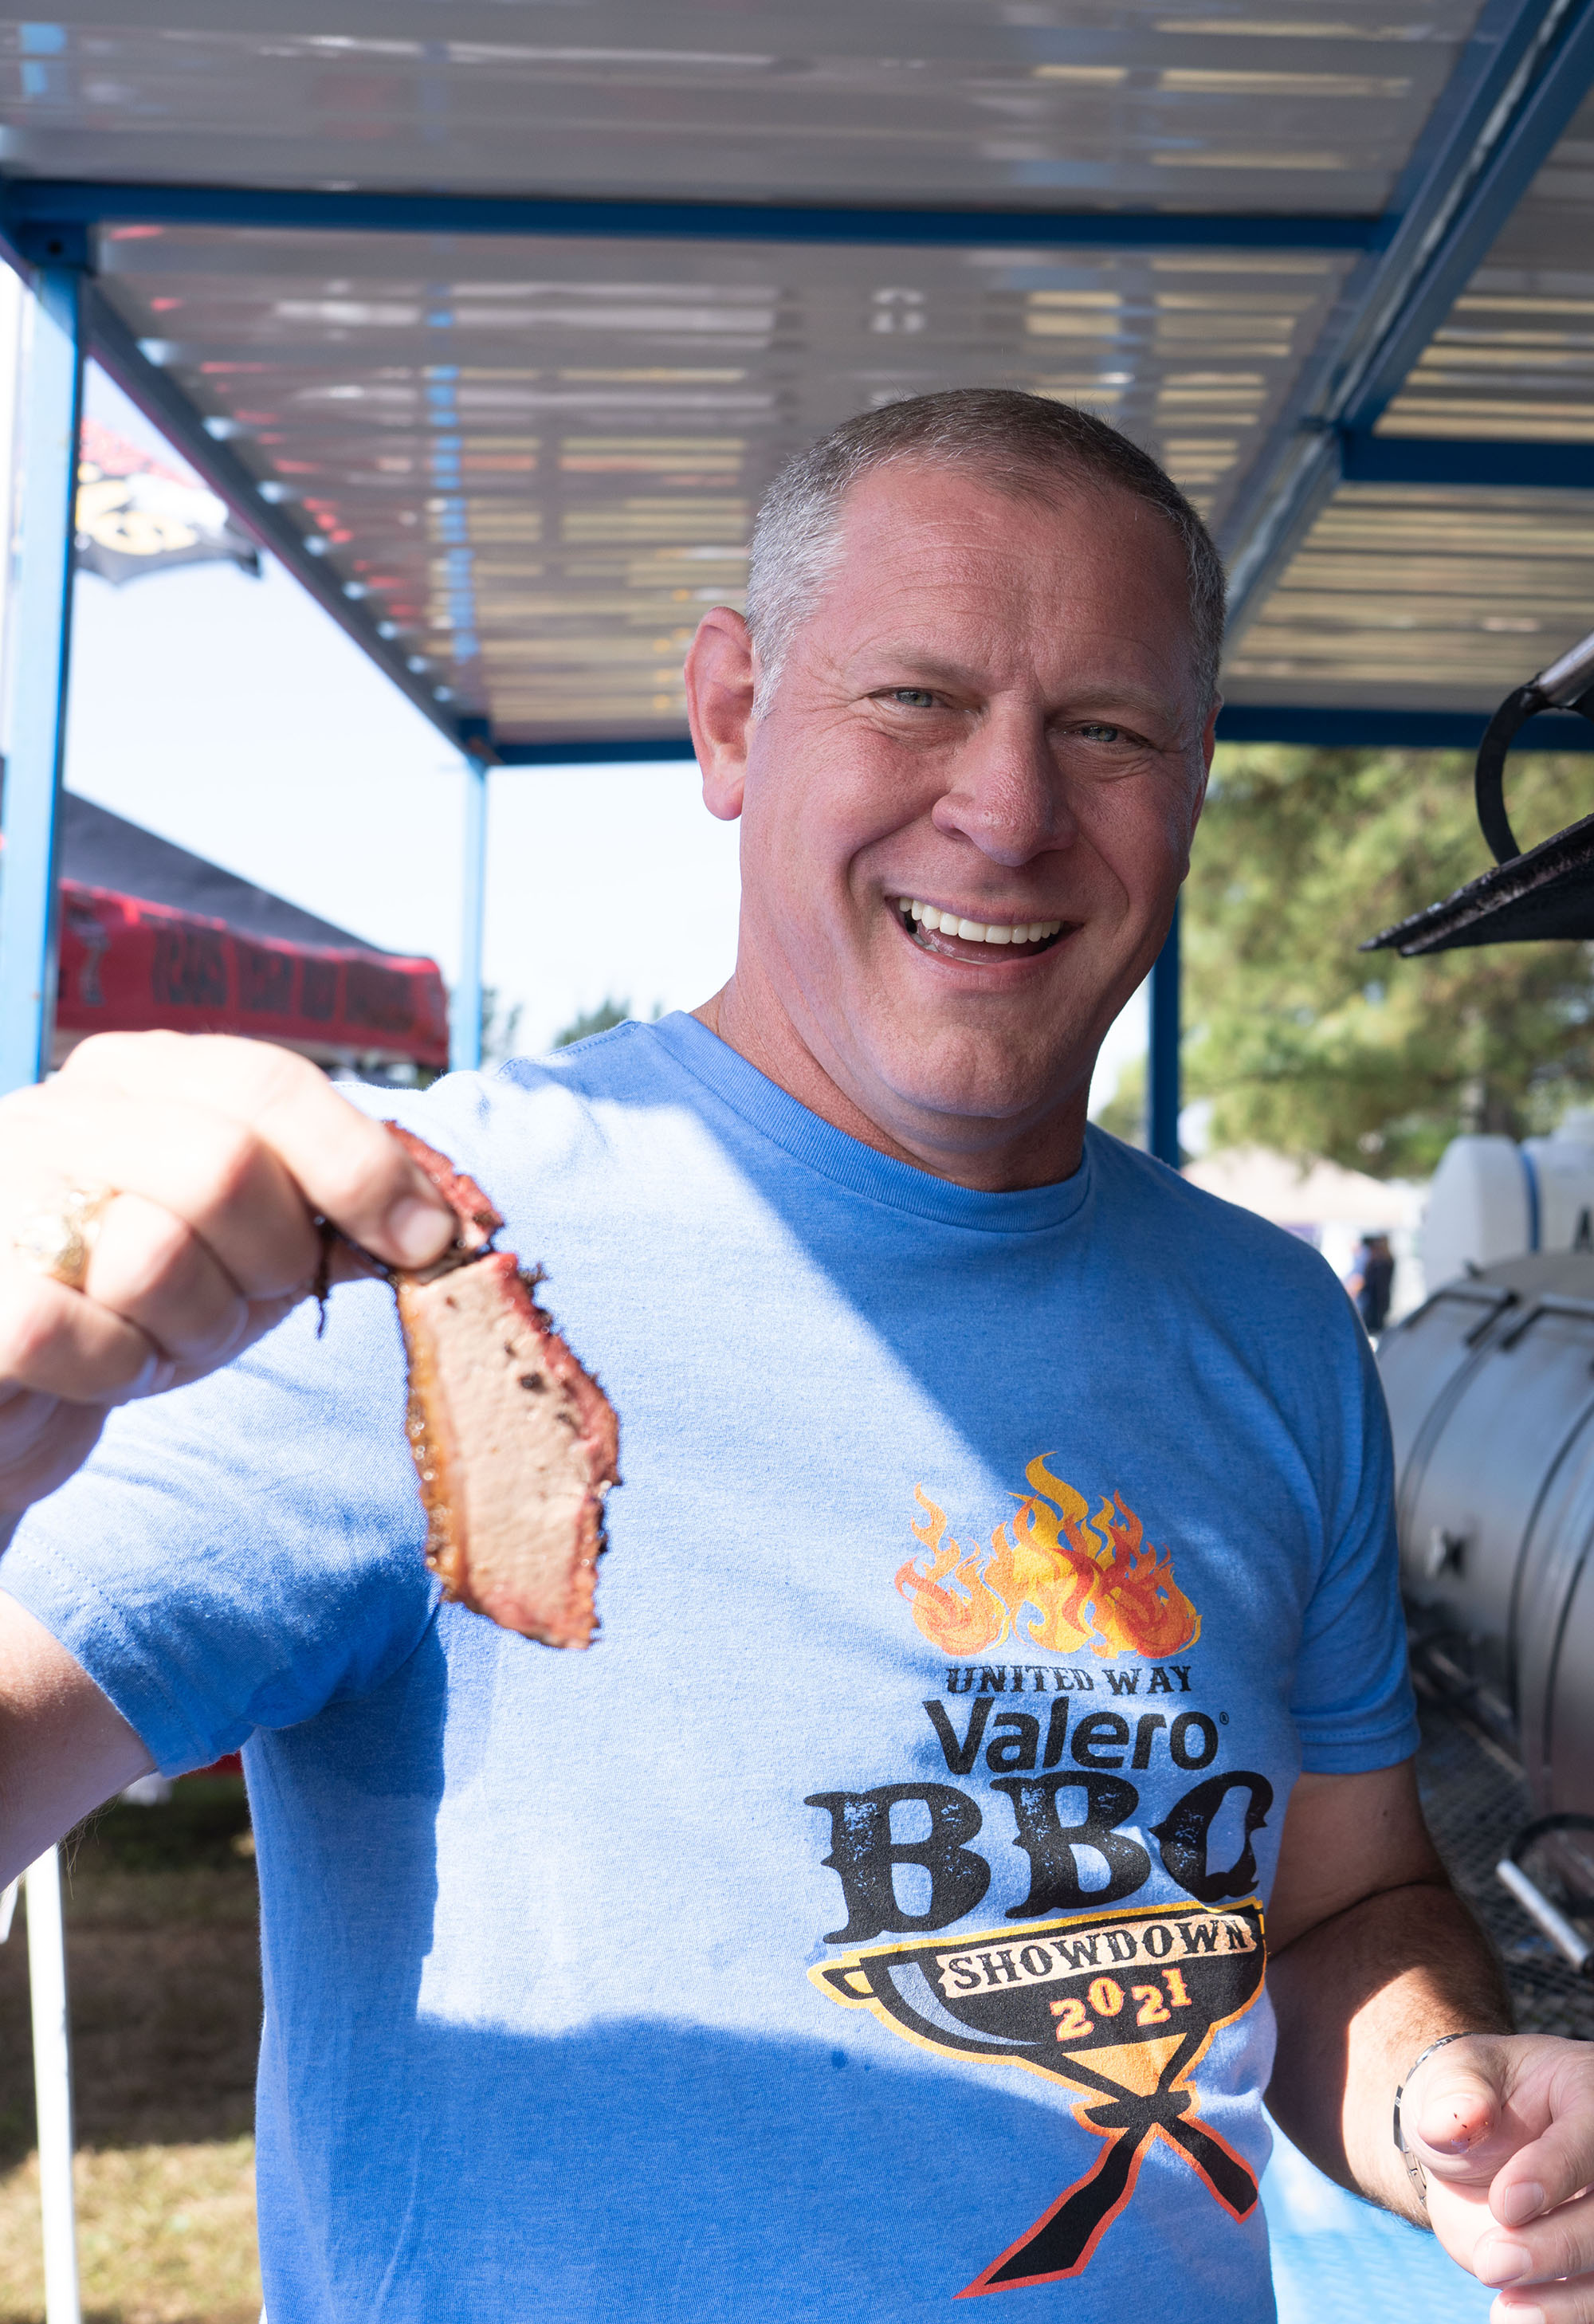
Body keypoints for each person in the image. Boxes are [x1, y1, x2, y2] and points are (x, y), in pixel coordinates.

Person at [0, 390, 1587, 2324]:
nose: (1006, 811)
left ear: (1188, 775)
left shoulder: (1268, 1325)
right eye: (913, 700)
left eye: (1103, 728)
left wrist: (1441, 2086)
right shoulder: (400, 1259)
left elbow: (1340, 1899)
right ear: (733, 717)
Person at [1348, 1232, 1396, 1337]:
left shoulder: (1382, 1263)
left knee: (1374, 1328)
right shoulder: (1379, 1262)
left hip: (1376, 1303)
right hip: (1374, 1303)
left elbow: (1374, 1285)